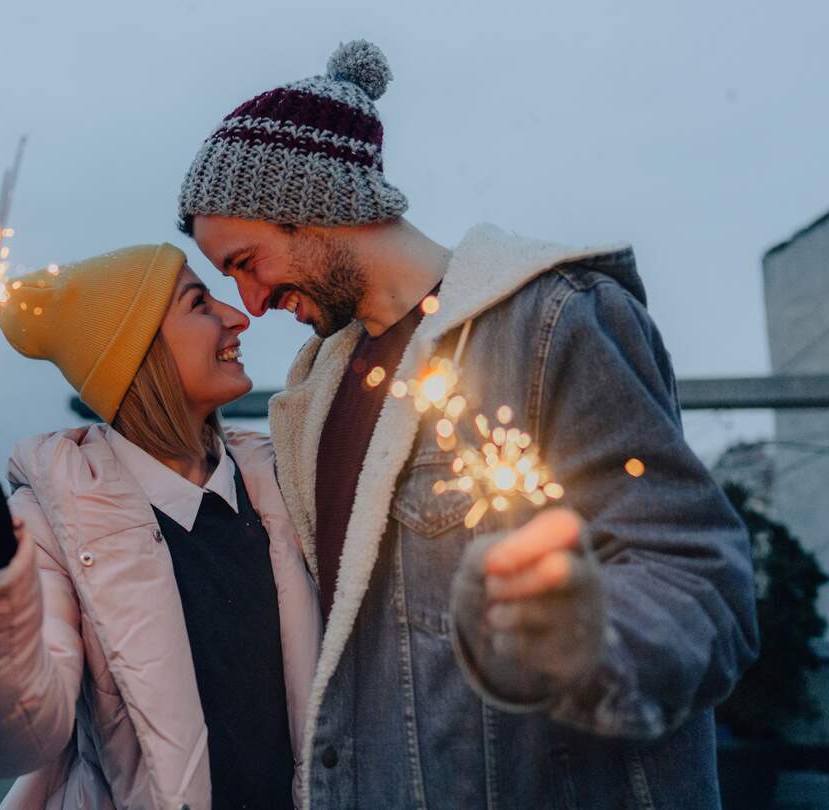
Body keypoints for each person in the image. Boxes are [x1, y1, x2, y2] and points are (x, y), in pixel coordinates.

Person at [175, 39, 759, 808]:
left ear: (313, 204)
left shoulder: (551, 322)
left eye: (247, 260)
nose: (251, 302)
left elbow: (700, 579)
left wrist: (583, 637)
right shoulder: (315, 391)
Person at [0, 243, 321, 809]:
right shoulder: (49, 523)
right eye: (199, 304)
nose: (237, 317)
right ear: (137, 354)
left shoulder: (283, 482)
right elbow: (10, 740)